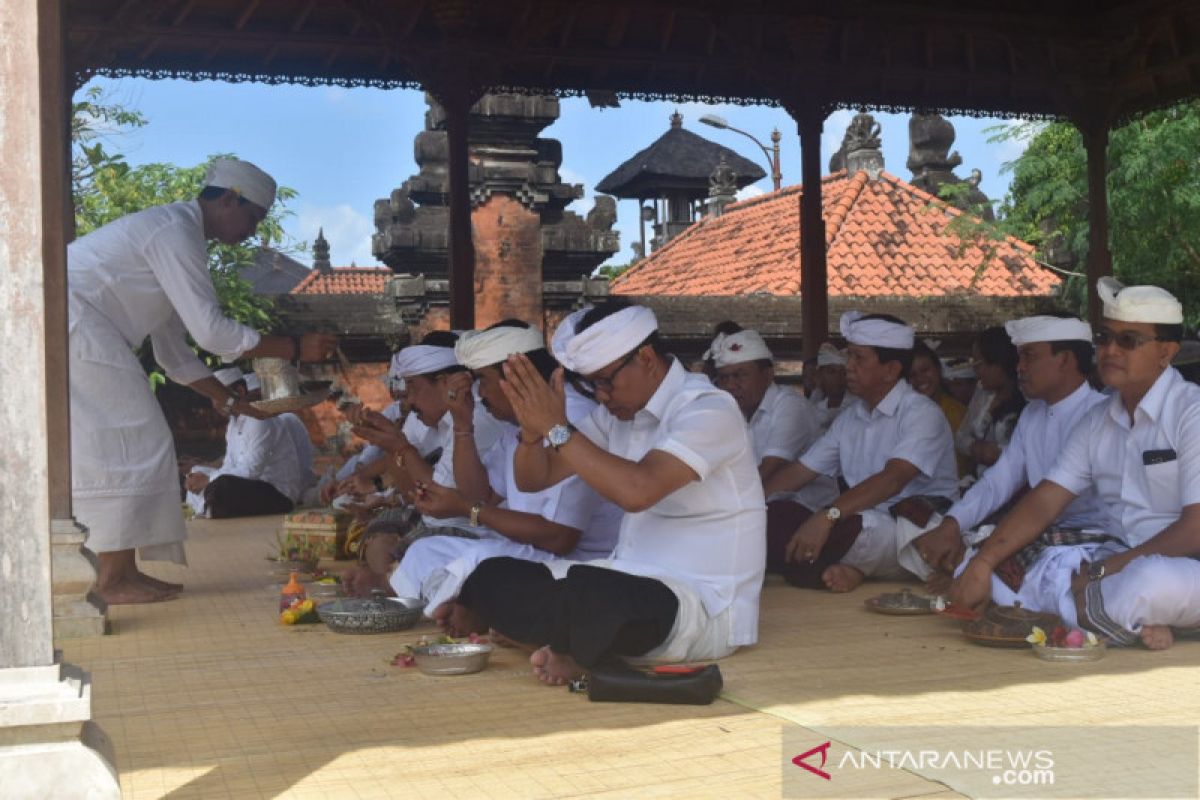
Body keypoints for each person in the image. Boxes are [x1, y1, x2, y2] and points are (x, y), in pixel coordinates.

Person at [431, 301, 766, 685]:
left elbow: (637, 491)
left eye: (606, 381)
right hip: (622, 577)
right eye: (592, 385)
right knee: (490, 573)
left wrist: (557, 429)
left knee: (598, 595)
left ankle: (574, 647)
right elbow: (535, 478)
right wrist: (532, 432)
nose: (601, 396)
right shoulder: (616, 414)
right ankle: (567, 639)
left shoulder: (708, 409)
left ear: (644, 356)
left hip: (700, 606)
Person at [68, 157, 337, 604]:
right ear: (229, 198)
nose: (253, 231)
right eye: (252, 217)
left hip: (84, 326)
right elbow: (211, 332)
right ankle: (110, 578)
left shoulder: (180, 236)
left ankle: (121, 571)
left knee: (135, 440)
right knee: (133, 439)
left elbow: (172, 352)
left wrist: (228, 402)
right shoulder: (174, 230)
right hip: (73, 319)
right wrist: (292, 346)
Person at [951, 279, 1200, 650]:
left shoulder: (1191, 412)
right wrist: (984, 562)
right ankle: (1126, 622)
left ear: (1166, 352)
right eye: (1104, 338)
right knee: (982, 568)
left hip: (1179, 564)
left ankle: (1110, 616)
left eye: (1128, 341)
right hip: (1111, 560)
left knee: (1150, 581)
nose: (1110, 350)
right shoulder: (1098, 419)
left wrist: (1107, 570)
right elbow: (1045, 500)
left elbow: (1195, 528)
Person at [384, 319, 622, 609]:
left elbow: (559, 538)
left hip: (578, 565)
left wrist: (466, 510)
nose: (479, 393)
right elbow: (482, 495)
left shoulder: (571, 416)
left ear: (515, 376)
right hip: (530, 554)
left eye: (482, 380)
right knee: (426, 551)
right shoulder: (516, 423)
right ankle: (439, 608)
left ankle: (452, 616)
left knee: (476, 562)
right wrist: (462, 425)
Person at [762, 313, 959, 593]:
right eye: (848, 357)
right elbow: (800, 471)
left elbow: (893, 479)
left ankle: (825, 568)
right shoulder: (850, 418)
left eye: (858, 358)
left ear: (890, 370)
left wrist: (827, 517)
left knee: (854, 528)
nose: (848, 367)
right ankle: (840, 569)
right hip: (854, 519)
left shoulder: (922, 413)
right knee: (772, 514)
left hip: (907, 529)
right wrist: (748, 508)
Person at [912, 314, 1106, 591]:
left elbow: (1047, 504)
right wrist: (952, 524)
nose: (1019, 367)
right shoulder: (1033, 414)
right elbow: (999, 480)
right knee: (957, 554)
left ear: (1064, 360)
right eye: (1019, 358)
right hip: (1040, 532)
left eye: (1029, 357)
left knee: (989, 572)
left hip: (1092, 540)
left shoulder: (1100, 414)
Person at [184, 368, 316, 518]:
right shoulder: (233, 423)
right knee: (196, 471)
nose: (214, 405)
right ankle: (203, 510)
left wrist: (208, 479)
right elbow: (229, 465)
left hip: (278, 494)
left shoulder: (259, 419)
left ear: (240, 391)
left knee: (222, 486)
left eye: (218, 397)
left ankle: (210, 509)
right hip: (250, 486)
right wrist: (203, 477)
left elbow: (251, 471)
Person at [705, 327, 821, 484]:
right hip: (755, 500)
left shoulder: (791, 406)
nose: (731, 385)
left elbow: (769, 470)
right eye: (724, 378)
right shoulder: (731, 409)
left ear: (768, 375)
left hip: (802, 504)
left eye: (740, 375)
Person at [958, 327, 1025, 480]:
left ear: (999, 362)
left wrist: (999, 452)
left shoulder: (1028, 399)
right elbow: (961, 437)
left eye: (979, 363)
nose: (975, 370)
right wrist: (977, 448)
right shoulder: (983, 393)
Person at [909, 339, 968, 475]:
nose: (920, 379)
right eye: (912, 375)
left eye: (925, 370)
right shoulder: (904, 413)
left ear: (938, 369)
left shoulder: (958, 413)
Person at [810, 342, 858, 432]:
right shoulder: (815, 409)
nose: (838, 378)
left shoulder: (858, 406)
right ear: (820, 375)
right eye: (831, 372)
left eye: (843, 372)